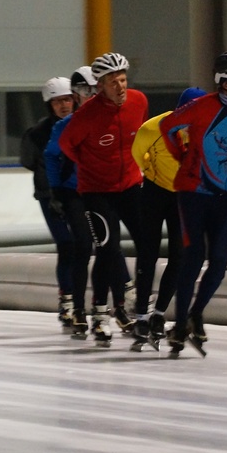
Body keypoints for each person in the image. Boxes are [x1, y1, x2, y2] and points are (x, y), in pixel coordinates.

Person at [160, 51, 227, 359]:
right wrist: (183, 155)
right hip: (193, 191)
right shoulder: (201, 107)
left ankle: (195, 315)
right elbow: (167, 126)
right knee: (194, 257)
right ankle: (179, 323)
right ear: (224, 83)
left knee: (219, 263)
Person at [58, 52, 148, 347]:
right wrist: (92, 165)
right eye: (113, 82)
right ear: (100, 85)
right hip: (97, 191)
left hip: (130, 185)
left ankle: (141, 304)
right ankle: (100, 313)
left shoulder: (139, 101)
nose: (120, 87)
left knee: (147, 242)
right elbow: (67, 145)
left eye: (122, 80)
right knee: (108, 249)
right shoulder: (86, 115)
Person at [44, 65, 135, 336]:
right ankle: (80, 309)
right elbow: (50, 156)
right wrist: (56, 190)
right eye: (85, 93)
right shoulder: (67, 125)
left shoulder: (109, 117)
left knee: (110, 248)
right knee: (83, 247)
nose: (91, 97)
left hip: (103, 191)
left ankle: (117, 307)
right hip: (76, 193)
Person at [129, 86, 207, 352]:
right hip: (154, 191)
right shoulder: (153, 128)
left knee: (179, 256)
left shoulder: (208, 132)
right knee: (148, 252)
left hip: (182, 196)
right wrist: (150, 171)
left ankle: (159, 314)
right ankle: (141, 315)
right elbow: (137, 153)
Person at [20, 77, 76, 325]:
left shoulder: (81, 124)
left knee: (83, 245)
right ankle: (67, 299)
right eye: (57, 102)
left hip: (77, 193)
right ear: (49, 105)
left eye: (67, 100)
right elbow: (29, 161)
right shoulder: (37, 133)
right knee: (66, 245)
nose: (63, 105)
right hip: (49, 195)